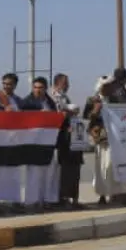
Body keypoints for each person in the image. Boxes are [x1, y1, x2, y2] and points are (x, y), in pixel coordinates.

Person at [0, 73, 25, 211]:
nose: (7, 86)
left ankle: (15, 201)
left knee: (14, 173)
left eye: (10, 84)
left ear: (15, 85)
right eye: (5, 83)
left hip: (14, 141)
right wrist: (3, 111)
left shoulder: (18, 101)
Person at [21, 76, 60, 210]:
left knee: (50, 171)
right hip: (33, 143)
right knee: (34, 173)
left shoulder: (50, 102)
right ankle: (33, 201)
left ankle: (48, 199)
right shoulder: (26, 102)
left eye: (40, 88)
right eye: (35, 87)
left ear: (45, 88)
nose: (37, 90)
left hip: (48, 142)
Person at [85, 94, 126, 205]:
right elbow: (87, 118)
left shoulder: (114, 99)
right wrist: (96, 110)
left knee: (113, 168)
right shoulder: (93, 100)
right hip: (100, 141)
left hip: (114, 140)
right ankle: (102, 195)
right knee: (101, 169)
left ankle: (115, 194)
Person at [51, 73, 84, 208]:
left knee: (73, 168)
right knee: (63, 170)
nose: (68, 86)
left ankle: (72, 197)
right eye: (65, 83)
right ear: (57, 84)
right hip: (60, 139)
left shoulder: (65, 97)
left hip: (72, 138)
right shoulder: (53, 98)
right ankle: (62, 198)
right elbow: (57, 116)